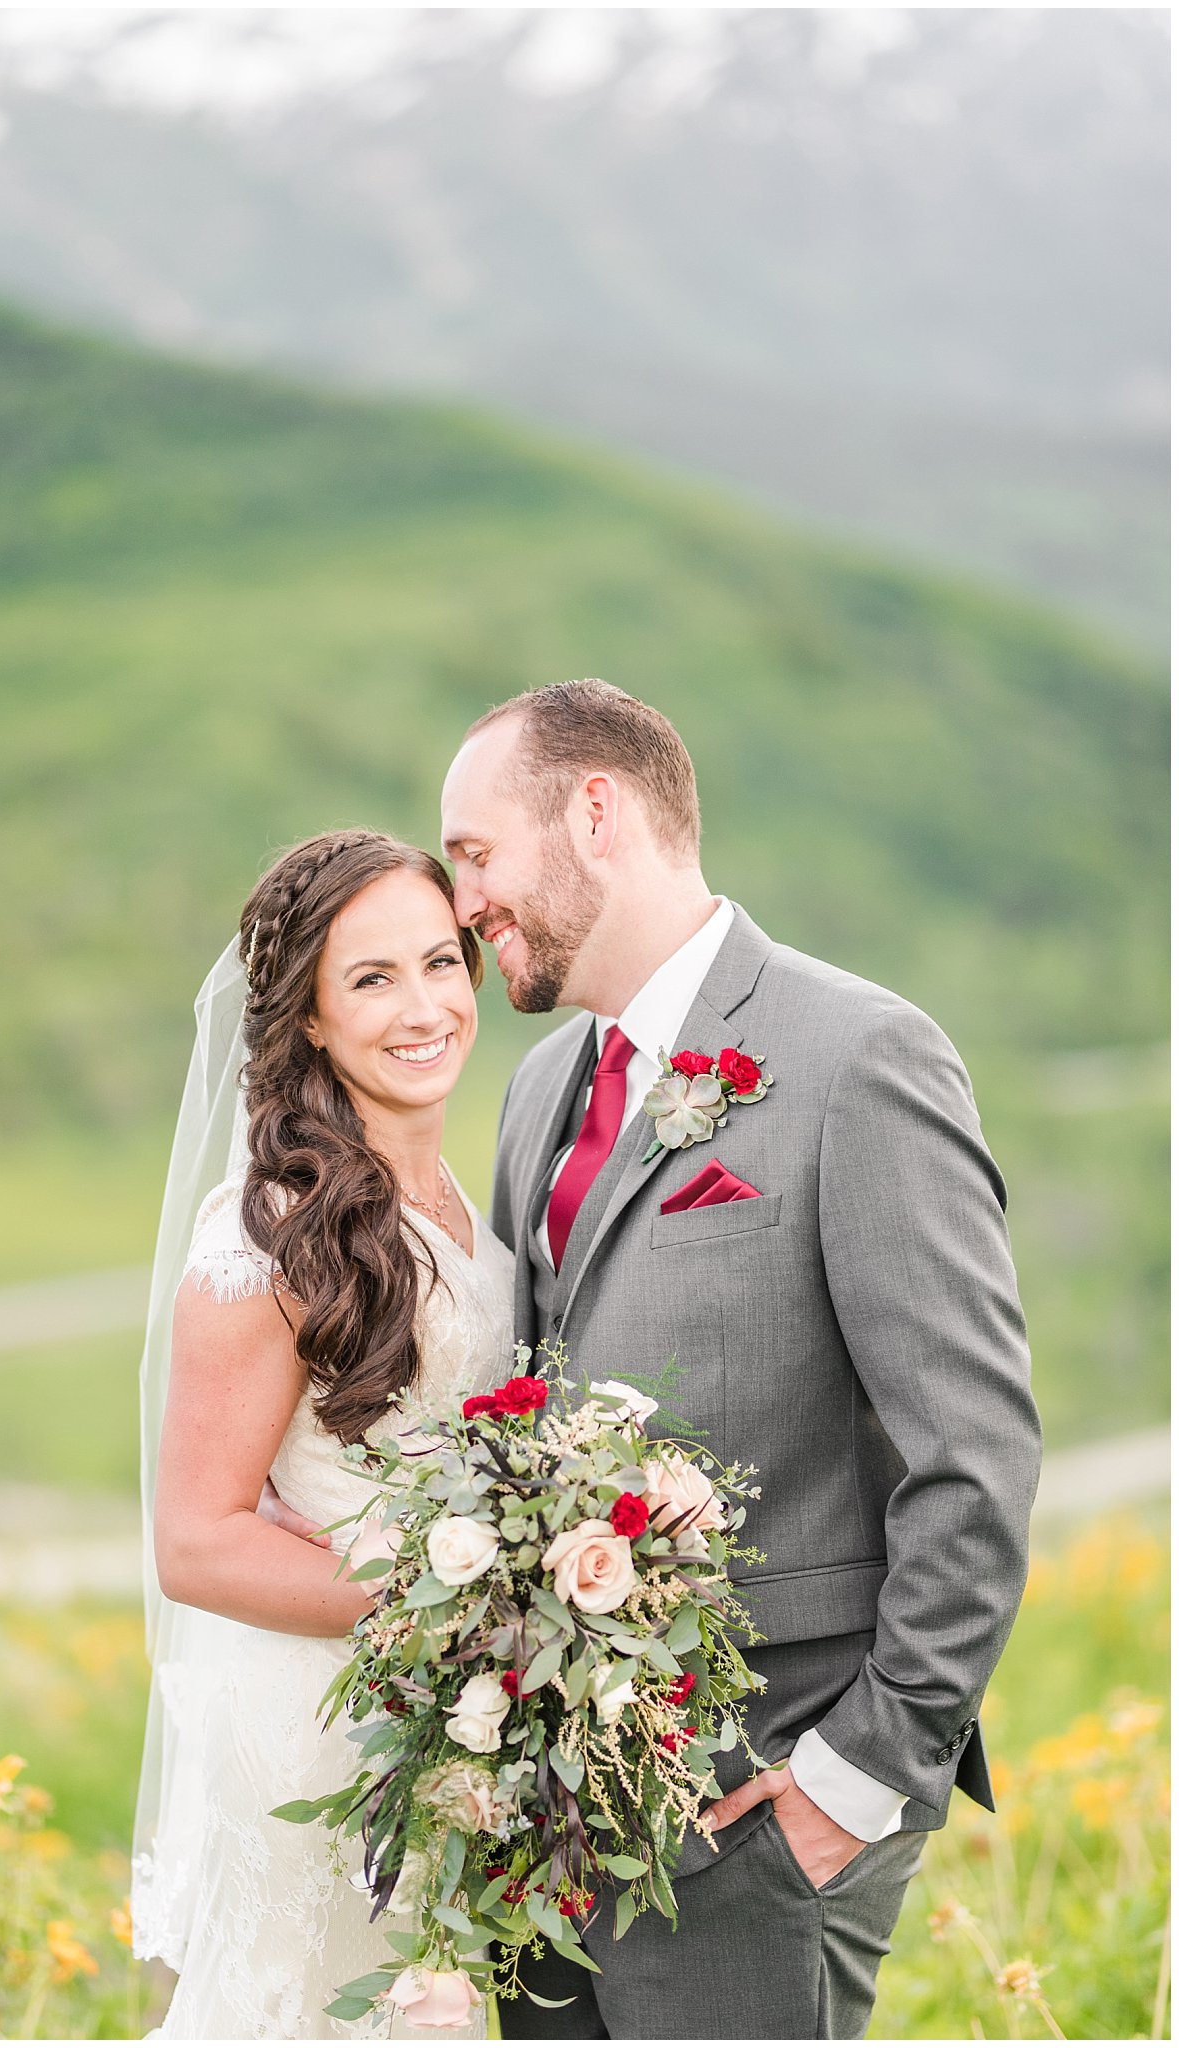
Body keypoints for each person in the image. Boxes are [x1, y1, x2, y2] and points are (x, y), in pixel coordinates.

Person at [438, 679, 1042, 2040]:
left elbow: (978, 1454)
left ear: (596, 811)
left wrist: (862, 1776)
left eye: (476, 852)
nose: (461, 900)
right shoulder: (541, 1088)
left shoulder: (861, 1057)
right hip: (554, 1824)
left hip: (767, 1803)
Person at [131, 831, 514, 2040]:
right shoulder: (268, 1236)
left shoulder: (455, 1192)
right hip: (325, 1733)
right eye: (371, 978)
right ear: (305, 1017)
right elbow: (194, 1542)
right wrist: (456, 1602)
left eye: (440, 962)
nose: (425, 1007)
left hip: (446, 1722)